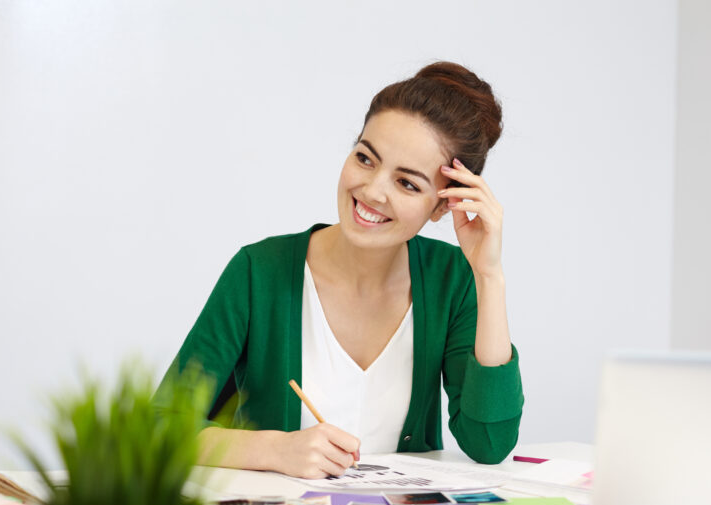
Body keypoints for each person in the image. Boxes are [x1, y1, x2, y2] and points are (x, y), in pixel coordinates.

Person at [159, 61, 523, 479]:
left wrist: (488, 274)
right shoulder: (258, 272)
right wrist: (274, 449)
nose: (371, 190)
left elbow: (489, 443)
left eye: (407, 183)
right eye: (366, 158)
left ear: (444, 204)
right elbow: (162, 425)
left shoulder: (451, 280)